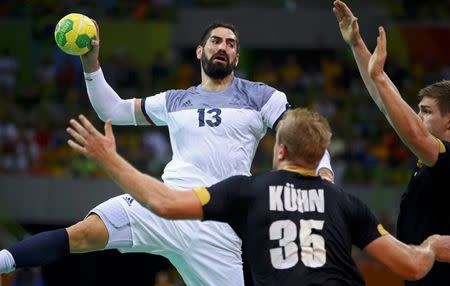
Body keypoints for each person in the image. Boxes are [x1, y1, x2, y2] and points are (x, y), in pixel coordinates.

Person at [0, 21, 334, 285]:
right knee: (85, 232)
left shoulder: (262, 96)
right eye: (216, 41)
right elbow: (112, 110)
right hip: (164, 202)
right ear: (200, 50)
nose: (224, 47)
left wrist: (325, 173)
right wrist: (91, 63)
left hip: (218, 223)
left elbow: (302, 137)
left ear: (236, 58)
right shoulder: (175, 100)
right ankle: (4, 261)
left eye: (231, 44)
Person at [64, 108, 450, 286]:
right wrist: (431, 245)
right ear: (319, 158)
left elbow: (164, 203)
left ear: (279, 150)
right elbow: (412, 267)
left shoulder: (247, 190)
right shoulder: (344, 202)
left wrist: (110, 159)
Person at [333, 1, 450, 284]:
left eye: (426, 111)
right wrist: (357, 44)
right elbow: (388, 108)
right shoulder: (432, 157)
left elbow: (414, 134)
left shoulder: (443, 155)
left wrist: (380, 76)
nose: (418, 116)